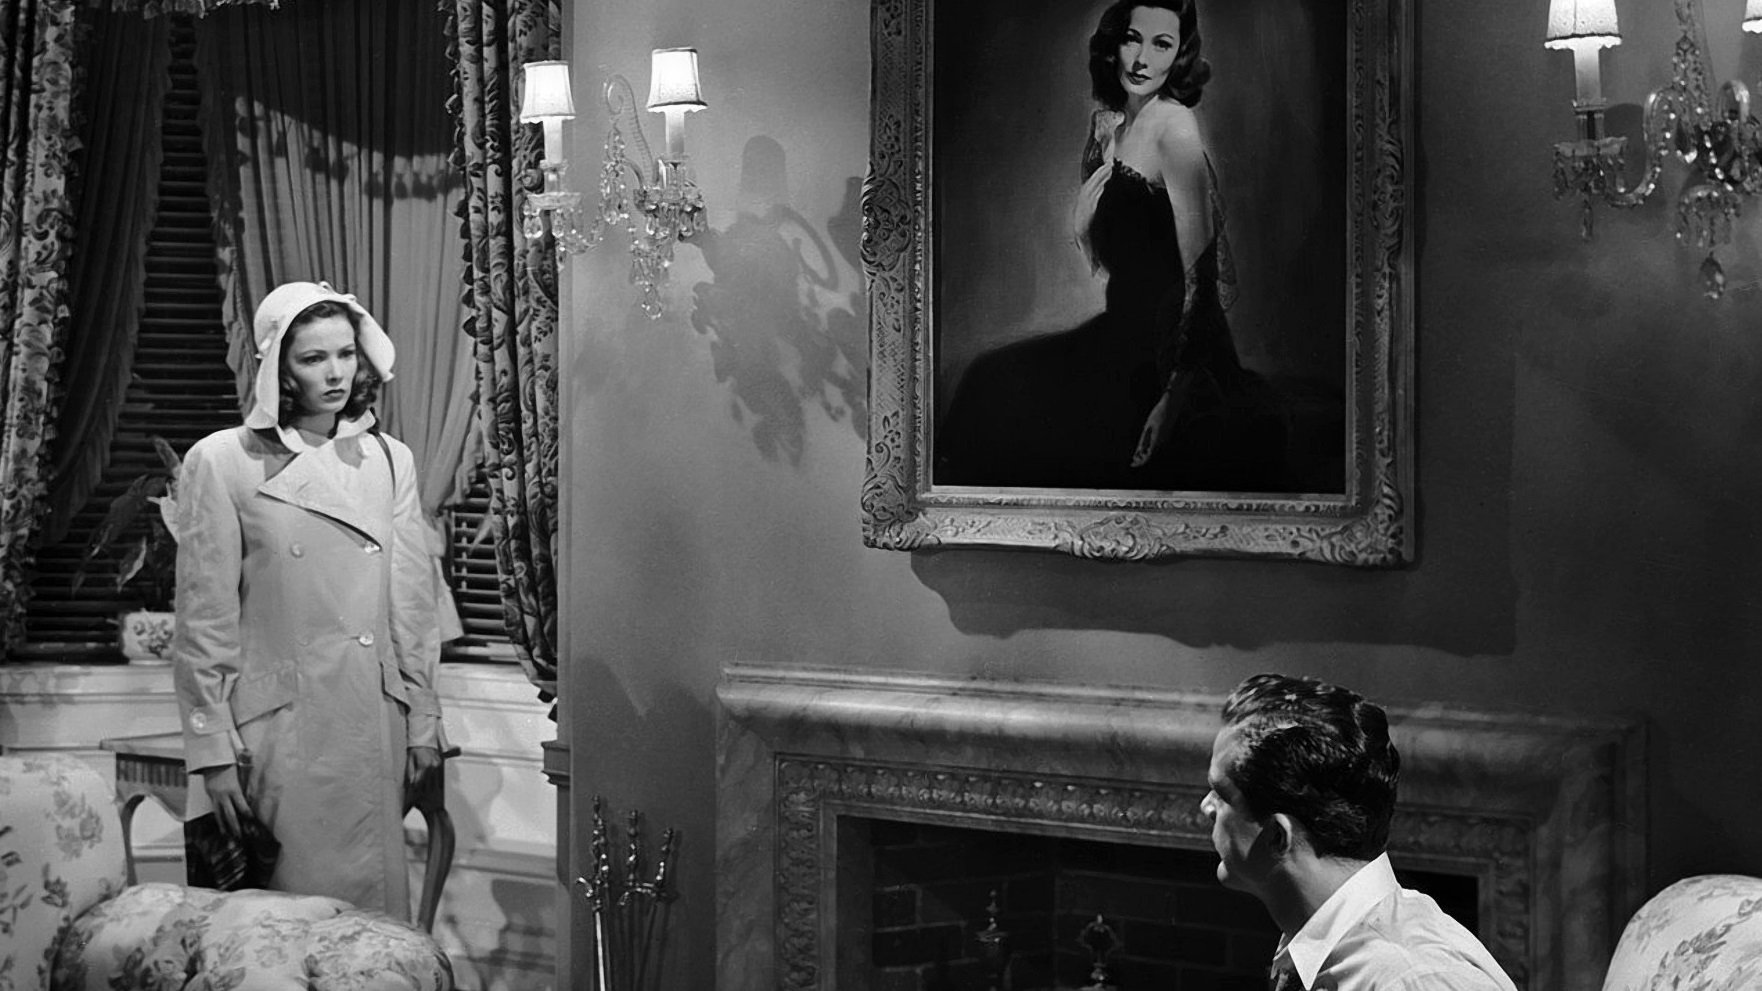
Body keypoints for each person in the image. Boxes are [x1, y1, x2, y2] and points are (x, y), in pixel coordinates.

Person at [171, 280, 445, 920]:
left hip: (372, 722)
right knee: (281, 931)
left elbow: (411, 606)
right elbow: (205, 621)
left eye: (346, 354)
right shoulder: (223, 460)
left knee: (368, 936)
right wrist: (211, 752)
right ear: (279, 367)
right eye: (314, 358)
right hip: (276, 736)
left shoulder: (389, 459)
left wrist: (425, 721)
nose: (336, 374)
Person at [936, 0, 1285, 491]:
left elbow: (1201, 285)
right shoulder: (1110, 129)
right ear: (1114, 43)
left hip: (1173, 354)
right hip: (1119, 335)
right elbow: (1115, 263)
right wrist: (1081, 227)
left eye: (1161, 44)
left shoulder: (1175, 127)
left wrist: (1172, 401)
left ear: (1179, 56)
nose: (1141, 59)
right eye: (1132, 38)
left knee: (1011, 400)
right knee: (987, 381)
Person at [1202, 674, 1518, 990]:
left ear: (1277, 836)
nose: (1206, 806)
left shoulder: (1414, 980)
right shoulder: (1321, 941)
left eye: (1222, 794)